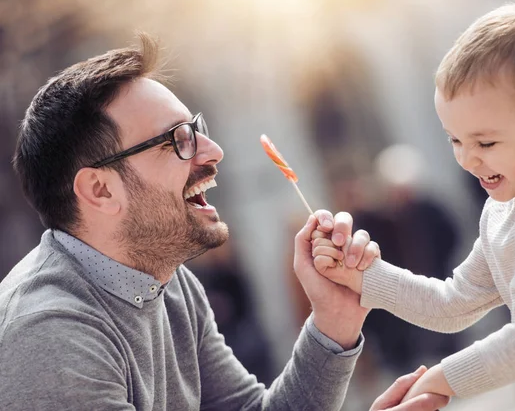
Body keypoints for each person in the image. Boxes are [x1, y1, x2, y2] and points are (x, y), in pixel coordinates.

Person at [0, 34, 449, 411]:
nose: (212, 152)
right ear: (100, 190)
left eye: (196, 128)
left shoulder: (167, 283)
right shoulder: (52, 337)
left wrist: (333, 320)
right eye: (176, 140)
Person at [311, 2, 515, 411]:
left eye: (485, 143)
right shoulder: (501, 211)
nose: (466, 159)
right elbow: (452, 304)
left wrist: (441, 379)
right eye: (454, 140)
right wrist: (363, 277)